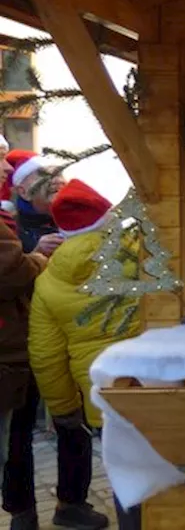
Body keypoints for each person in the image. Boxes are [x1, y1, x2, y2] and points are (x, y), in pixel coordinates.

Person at [27, 179, 140, 530]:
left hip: (101, 396)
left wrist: (63, 410)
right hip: (156, 382)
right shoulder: (139, 254)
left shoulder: (48, 280)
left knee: (125, 474)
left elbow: (46, 354)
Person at [0, 183, 49, 530]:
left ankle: (22, 511)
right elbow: (11, 271)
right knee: (12, 438)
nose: (5, 169)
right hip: (6, 350)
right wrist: (38, 258)